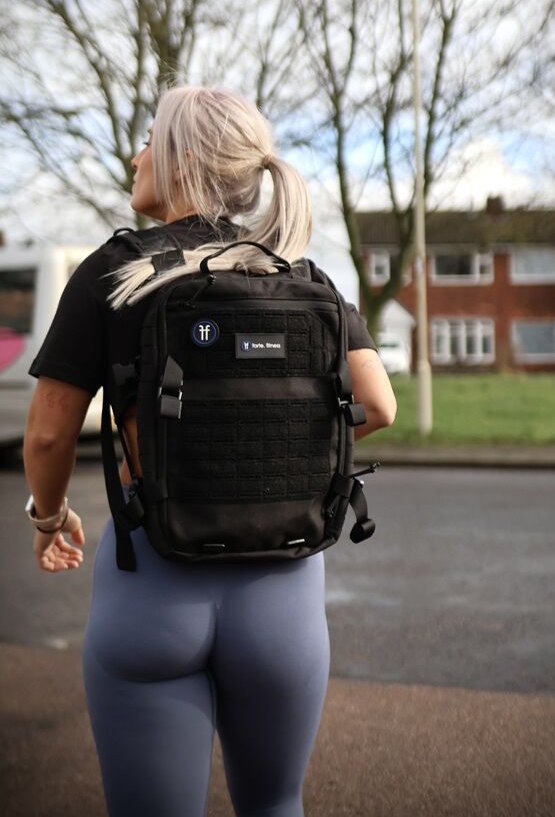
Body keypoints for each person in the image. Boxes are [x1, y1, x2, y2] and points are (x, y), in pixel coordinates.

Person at [23, 85, 397, 817]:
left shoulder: (113, 273)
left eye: (147, 138)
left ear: (182, 158)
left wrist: (48, 515)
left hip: (152, 586)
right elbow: (378, 405)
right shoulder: (299, 275)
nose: (135, 155)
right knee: (275, 805)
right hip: (283, 596)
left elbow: (46, 433)